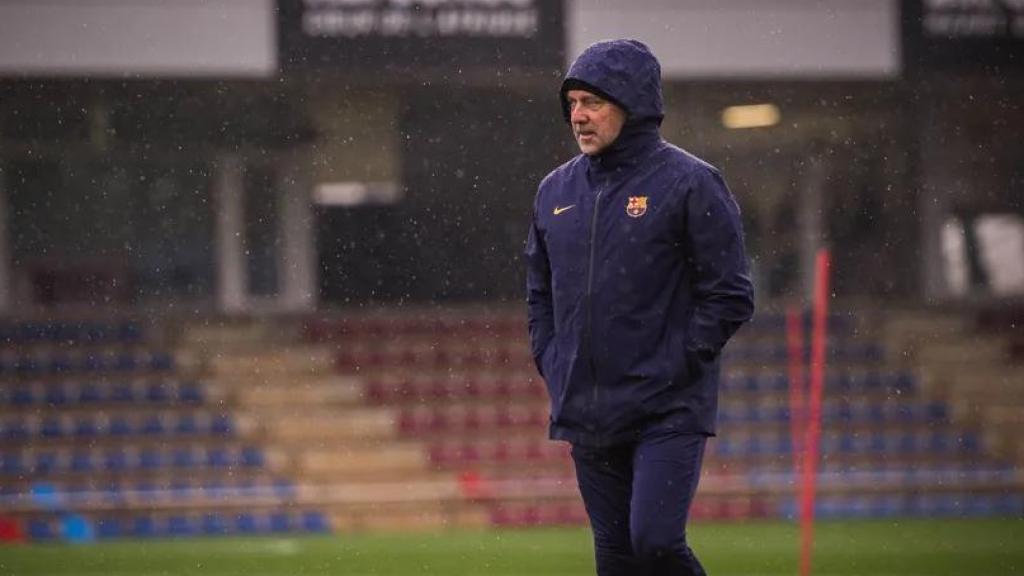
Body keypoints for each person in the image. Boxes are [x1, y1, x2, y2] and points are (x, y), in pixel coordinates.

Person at [525, 39, 755, 575]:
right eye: (573, 103)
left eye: (593, 103)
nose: (578, 116)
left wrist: (673, 364)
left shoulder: (691, 182)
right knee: (616, 559)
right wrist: (554, 363)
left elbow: (730, 294)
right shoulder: (553, 190)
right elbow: (539, 294)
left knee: (654, 541)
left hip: (666, 408)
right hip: (587, 407)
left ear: (633, 104)